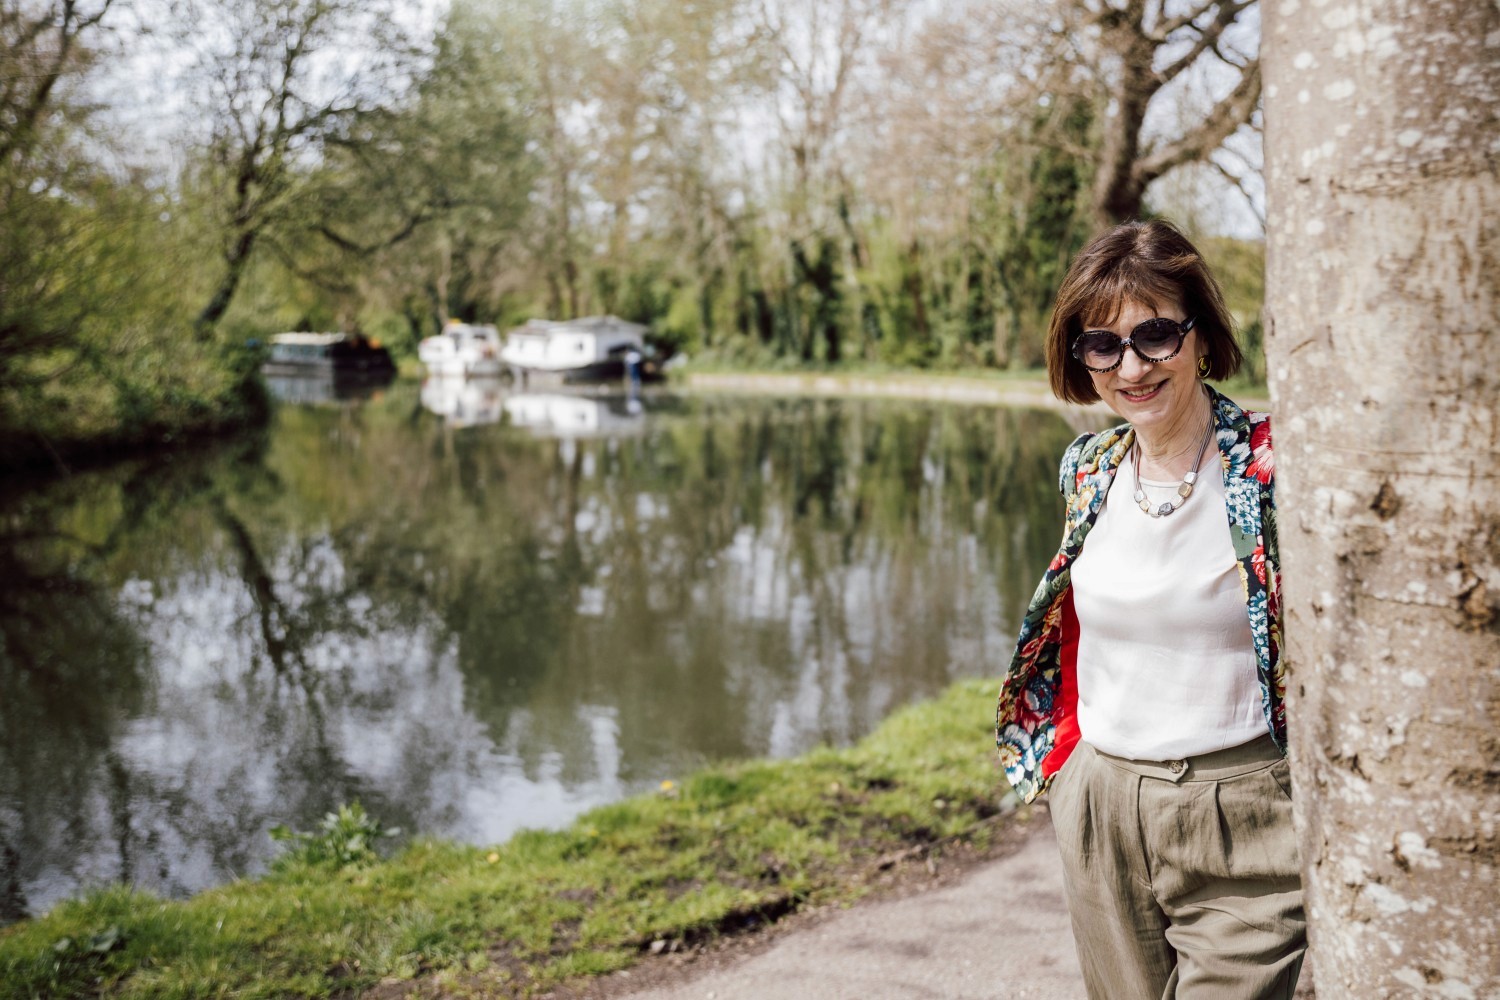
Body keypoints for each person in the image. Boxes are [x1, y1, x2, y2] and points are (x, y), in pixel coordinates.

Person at [994, 219, 1303, 999]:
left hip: (1243, 815)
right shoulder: (1088, 468)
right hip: (1101, 805)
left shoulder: (1272, 467)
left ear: (1201, 337)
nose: (1130, 366)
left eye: (1155, 335)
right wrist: (1070, 780)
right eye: (1102, 345)